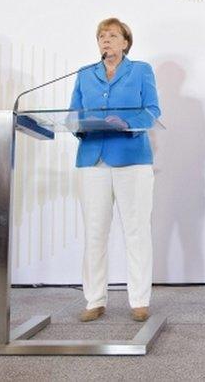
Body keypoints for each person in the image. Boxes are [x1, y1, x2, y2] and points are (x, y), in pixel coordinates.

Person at [70, 18, 161, 323]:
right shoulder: (84, 74)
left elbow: (152, 110)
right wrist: (80, 126)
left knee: (136, 231)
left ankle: (139, 300)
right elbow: (73, 114)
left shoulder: (141, 71)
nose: (105, 40)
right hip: (92, 159)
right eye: (101, 36)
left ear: (125, 42)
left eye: (112, 35)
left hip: (132, 158)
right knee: (95, 232)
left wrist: (130, 124)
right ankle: (94, 300)